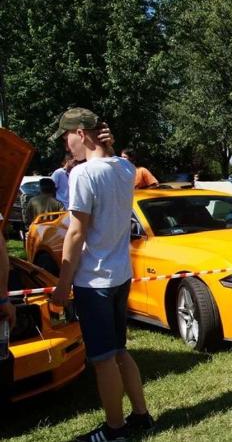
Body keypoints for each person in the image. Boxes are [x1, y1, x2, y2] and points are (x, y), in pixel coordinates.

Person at [48, 108, 153, 441]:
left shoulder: (82, 174)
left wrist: (62, 285)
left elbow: (76, 234)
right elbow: (113, 163)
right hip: (121, 275)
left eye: (67, 139)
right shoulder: (125, 167)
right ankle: (141, 417)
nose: (67, 148)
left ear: (81, 134)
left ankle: (115, 430)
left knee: (104, 359)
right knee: (120, 351)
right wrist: (110, 148)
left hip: (94, 282)